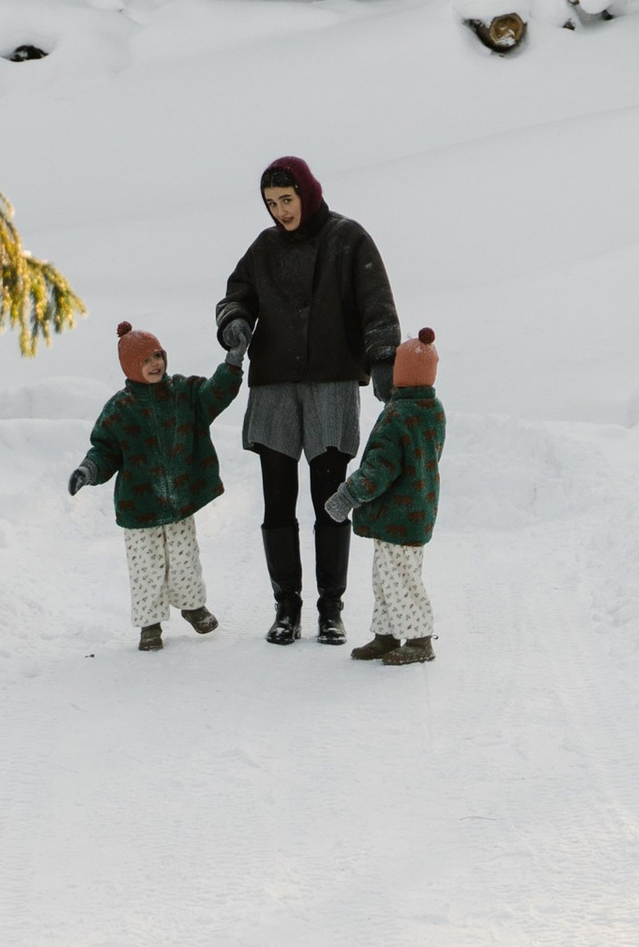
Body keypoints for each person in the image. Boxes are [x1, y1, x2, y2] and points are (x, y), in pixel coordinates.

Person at [215, 153, 399, 647]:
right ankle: (286, 607)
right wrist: (234, 321)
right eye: (271, 203)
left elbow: (376, 303)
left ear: (308, 193)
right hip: (274, 385)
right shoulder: (265, 247)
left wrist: (383, 358)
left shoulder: (347, 238)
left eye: (287, 200)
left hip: (331, 385)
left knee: (331, 499)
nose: (280, 211)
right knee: (278, 499)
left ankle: (331, 609)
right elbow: (237, 294)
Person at [67, 320, 242, 651]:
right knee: (146, 568)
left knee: (185, 558)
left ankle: (192, 606)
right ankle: (150, 624)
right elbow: (104, 450)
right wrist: (88, 470)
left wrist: (232, 362)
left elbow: (214, 395)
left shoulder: (183, 392)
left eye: (158, 356)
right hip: (140, 507)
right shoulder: (119, 409)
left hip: (179, 500)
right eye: (146, 360)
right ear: (132, 366)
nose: (155, 364)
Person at [328, 320, 444, 666]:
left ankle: (419, 638)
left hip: (397, 515)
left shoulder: (399, 415)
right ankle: (387, 635)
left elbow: (380, 468)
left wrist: (348, 495)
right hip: (416, 512)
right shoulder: (431, 410)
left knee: (398, 580)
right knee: (388, 578)